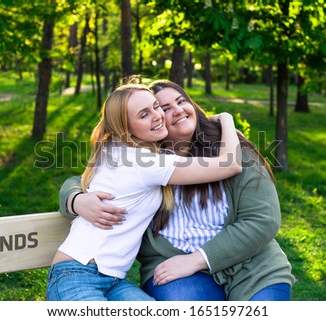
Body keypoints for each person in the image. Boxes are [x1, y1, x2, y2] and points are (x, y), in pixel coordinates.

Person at [59, 80, 296, 301]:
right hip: (170, 267)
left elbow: (263, 219)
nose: (177, 110)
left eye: (181, 101)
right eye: (164, 107)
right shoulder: (145, 160)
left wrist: (198, 259)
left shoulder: (232, 148)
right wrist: (76, 200)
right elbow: (86, 179)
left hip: (253, 267)